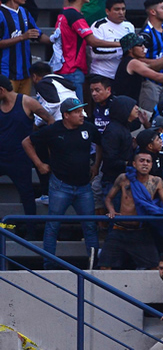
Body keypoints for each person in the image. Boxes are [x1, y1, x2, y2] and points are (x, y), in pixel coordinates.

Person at [21, 97, 101, 269]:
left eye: (81, 111)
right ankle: (48, 266)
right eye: (77, 112)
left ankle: (94, 265)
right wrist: (39, 164)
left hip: (84, 186)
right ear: (66, 115)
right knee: (52, 226)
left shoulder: (88, 128)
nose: (82, 115)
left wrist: (96, 164)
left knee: (90, 226)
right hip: (60, 186)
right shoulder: (53, 130)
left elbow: (100, 143)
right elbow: (26, 142)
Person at [100, 150, 163, 270]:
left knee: (154, 267)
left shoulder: (157, 181)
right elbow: (108, 198)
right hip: (120, 229)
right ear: (134, 164)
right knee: (104, 266)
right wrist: (111, 210)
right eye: (141, 161)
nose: (145, 164)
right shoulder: (123, 178)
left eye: (148, 161)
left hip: (141, 230)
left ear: (152, 164)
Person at [0, 75, 53, 229]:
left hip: (20, 158)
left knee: (27, 194)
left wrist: (40, 140)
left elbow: (50, 120)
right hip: (1, 156)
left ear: (1, 90)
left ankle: (31, 231)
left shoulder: (27, 102)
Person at [53, 0, 122, 99]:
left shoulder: (63, 13)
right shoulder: (75, 16)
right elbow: (92, 41)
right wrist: (120, 44)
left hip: (63, 68)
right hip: (72, 70)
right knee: (76, 108)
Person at [0, 0, 51, 90]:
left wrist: (54, 40)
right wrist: (22, 37)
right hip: (5, 74)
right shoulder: (1, 14)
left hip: (25, 73)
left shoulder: (25, 12)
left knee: (24, 101)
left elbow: (38, 35)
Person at [113, 32, 163, 103]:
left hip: (127, 103)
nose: (143, 47)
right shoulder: (133, 63)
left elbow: (152, 67)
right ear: (130, 49)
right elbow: (157, 77)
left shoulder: (130, 61)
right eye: (140, 45)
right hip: (125, 105)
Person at [89, 0, 135, 79]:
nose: (121, 12)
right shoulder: (98, 26)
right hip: (102, 74)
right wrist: (122, 50)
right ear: (107, 11)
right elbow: (95, 53)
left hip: (123, 75)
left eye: (123, 9)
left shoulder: (129, 26)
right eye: (117, 9)